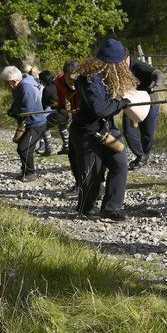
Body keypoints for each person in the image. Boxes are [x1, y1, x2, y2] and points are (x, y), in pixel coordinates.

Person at [71, 38, 136, 221]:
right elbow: (99, 108)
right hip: (86, 132)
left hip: (107, 129)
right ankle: (86, 207)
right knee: (93, 171)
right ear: (113, 63)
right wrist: (122, 103)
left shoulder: (107, 76)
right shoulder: (90, 80)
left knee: (120, 164)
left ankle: (111, 208)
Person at [2, 65, 47, 182]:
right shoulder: (18, 86)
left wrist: (15, 112)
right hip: (29, 122)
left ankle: (31, 172)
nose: (9, 85)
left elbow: (28, 109)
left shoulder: (26, 88)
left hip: (36, 123)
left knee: (24, 148)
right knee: (24, 148)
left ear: (14, 80)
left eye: (10, 83)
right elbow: (17, 101)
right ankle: (26, 171)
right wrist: (11, 109)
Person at [122, 53, 165, 170]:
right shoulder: (119, 68)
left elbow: (159, 74)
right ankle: (141, 155)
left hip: (150, 101)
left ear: (127, 57)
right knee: (128, 130)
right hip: (132, 102)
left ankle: (144, 157)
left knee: (147, 133)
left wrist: (156, 86)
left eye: (121, 61)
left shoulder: (139, 66)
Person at [55, 60, 81, 195]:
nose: (72, 83)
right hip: (76, 119)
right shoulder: (59, 81)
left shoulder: (86, 80)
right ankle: (79, 184)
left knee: (88, 155)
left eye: (74, 79)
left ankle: (95, 186)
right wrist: (61, 109)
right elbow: (61, 99)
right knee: (73, 154)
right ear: (63, 75)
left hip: (90, 118)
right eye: (69, 79)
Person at [37, 70, 59, 156]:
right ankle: (66, 147)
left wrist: (37, 113)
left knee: (44, 127)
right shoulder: (57, 84)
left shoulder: (47, 89)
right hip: (66, 113)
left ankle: (48, 149)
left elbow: (43, 105)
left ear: (43, 80)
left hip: (58, 113)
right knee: (63, 126)